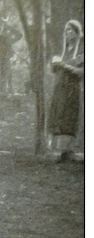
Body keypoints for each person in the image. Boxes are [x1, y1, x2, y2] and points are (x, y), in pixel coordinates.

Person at [48, 19, 84, 163]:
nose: (67, 33)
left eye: (70, 31)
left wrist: (64, 65)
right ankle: (61, 151)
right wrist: (54, 65)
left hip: (73, 88)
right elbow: (56, 68)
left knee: (70, 116)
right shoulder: (63, 51)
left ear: (76, 33)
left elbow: (81, 72)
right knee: (59, 115)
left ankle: (69, 150)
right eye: (66, 31)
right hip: (60, 87)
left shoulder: (82, 50)